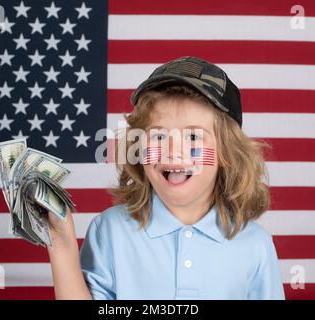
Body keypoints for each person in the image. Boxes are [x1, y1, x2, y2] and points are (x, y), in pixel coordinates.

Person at [46, 56, 285, 300]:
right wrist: (61, 244)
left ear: (226, 152)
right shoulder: (110, 231)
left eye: (193, 137)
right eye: (158, 136)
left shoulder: (256, 244)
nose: (172, 151)